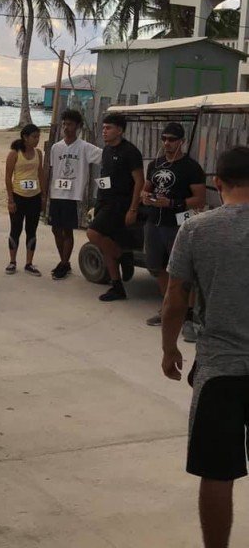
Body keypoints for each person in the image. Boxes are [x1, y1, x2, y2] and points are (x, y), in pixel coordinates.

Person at [162, 146, 249, 548]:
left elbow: (175, 298)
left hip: (219, 371)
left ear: (217, 183)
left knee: (217, 472)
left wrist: (170, 349)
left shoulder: (197, 230)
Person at [141, 122, 205, 329]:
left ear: (182, 142)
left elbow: (200, 199)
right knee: (157, 266)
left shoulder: (191, 167)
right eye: (164, 139)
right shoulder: (155, 164)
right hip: (154, 221)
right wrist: (145, 196)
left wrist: (172, 203)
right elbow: (146, 188)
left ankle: (188, 314)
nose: (167, 143)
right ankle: (167, 307)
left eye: (172, 139)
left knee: (182, 270)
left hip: (178, 223)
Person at [86, 113, 144, 302]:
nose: (104, 131)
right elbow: (105, 177)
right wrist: (98, 202)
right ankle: (117, 286)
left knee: (93, 234)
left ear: (119, 130)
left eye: (108, 128)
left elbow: (140, 181)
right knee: (105, 243)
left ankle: (122, 255)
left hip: (120, 204)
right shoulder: (106, 151)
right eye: (103, 128)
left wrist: (133, 209)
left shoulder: (130, 152)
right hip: (104, 201)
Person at [47, 109, 103, 280]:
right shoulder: (56, 147)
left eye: (70, 124)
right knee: (56, 229)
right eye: (64, 124)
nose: (66, 127)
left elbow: (104, 157)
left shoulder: (85, 147)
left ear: (78, 126)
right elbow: (51, 170)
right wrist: (46, 193)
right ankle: (64, 261)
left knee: (67, 230)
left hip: (73, 195)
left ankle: (64, 263)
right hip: (56, 193)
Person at [5, 124, 45, 276]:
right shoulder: (14, 154)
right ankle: (12, 261)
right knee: (15, 229)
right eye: (34, 137)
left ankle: (29, 263)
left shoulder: (38, 153)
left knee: (31, 230)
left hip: (34, 197)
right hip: (18, 196)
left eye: (38, 137)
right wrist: (10, 200)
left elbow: (40, 174)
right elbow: (8, 177)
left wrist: (43, 195)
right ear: (25, 137)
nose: (37, 140)